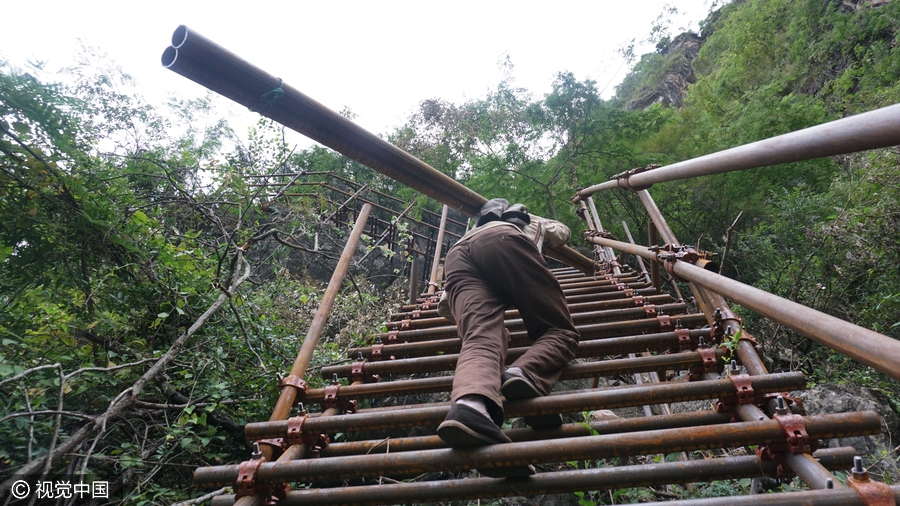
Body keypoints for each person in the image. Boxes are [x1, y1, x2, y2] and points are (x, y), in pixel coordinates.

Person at [435, 198, 580, 477]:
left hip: (455, 258)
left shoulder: (472, 228)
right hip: (505, 243)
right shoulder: (530, 218)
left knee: (480, 340)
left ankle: (470, 407)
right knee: (559, 331)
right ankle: (523, 373)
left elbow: (446, 306)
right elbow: (561, 233)